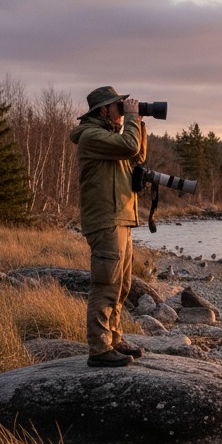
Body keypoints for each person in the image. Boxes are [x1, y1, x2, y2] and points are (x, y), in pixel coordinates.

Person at [70, 85, 149, 367]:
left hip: (121, 218)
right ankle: (100, 349)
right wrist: (131, 121)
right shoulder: (92, 137)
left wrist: (137, 122)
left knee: (122, 285)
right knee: (106, 283)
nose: (122, 111)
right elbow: (129, 146)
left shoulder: (109, 137)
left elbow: (137, 155)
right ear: (103, 110)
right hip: (105, 220)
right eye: (119, 107)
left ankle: (114, 339)